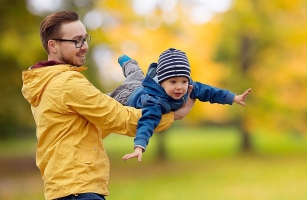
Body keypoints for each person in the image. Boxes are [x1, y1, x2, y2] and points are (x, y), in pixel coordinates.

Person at [21, 11, 194, 200]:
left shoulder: (46, 82)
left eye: (85, 39)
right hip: (79, 189)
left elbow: (92, 127)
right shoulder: (67, 83)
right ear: (53, 45)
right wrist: (173, 116)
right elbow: (119, 118)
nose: (85, 46)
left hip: (66, 187)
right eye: (77, 41)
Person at [108, 48, 252, 162]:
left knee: (137, 75)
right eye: (173, 82)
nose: (179, 87)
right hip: (128, 96)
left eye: (183, 81)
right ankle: (126, 61)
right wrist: (139, 146)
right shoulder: (155, 102)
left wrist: (233, 97)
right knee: (123, 86)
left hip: (143, 86)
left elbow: (210, 92)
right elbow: (147, 122)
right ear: (161, 82)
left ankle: (128, 62)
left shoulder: (189, 87)